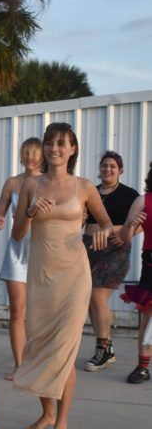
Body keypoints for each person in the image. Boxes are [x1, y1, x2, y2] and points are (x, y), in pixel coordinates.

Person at [12, 122, 112, 429]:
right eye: (50, 142)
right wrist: (28, 212)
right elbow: (16, 235)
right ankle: (46, 412)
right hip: (41, 277)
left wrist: (99, 229)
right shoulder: (30, 185)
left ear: (72, 150)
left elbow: (105, 221)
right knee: (40, 348)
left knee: (64, 353)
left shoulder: (84, 187)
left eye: (62, 143)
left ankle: (62, 427)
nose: (55, 148)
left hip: (74, 277)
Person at [82, 151, 140, 372]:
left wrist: (126, 233)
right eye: (104, 165)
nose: (108, 169)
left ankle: (103, 349)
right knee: (89, 299)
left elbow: (141, 221)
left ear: (120, 170)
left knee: (98, 295)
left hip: (116, 249)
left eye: (113, 166)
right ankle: (105, 346)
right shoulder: (91, 192)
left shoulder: (129, 195)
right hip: (88, 246)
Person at [0, 137, 43, 381]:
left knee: (41, 311)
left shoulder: (49, 181)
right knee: (17, 311)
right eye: (26, 152)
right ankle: (19, 364)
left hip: (42, 250)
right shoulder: (12, 182)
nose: (30, 157)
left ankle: (40, 361)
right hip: (17, 250)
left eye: (35, 152)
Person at [119, 163, 152, 384]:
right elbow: (124, 237)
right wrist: (131, 225)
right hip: (151, 264)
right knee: (147, 315)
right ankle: (143, 366)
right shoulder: (143, 200)